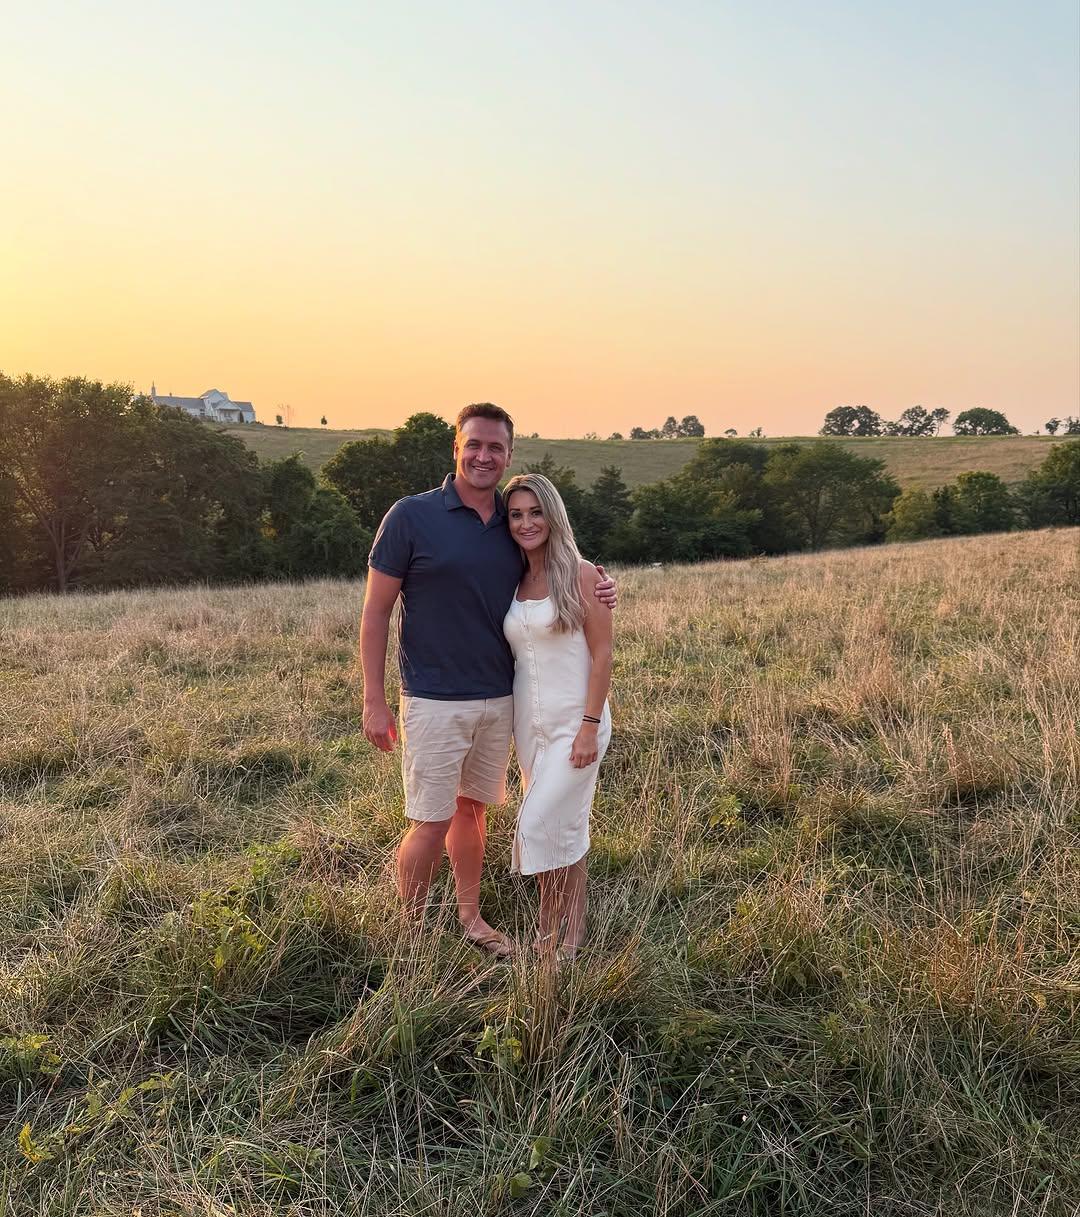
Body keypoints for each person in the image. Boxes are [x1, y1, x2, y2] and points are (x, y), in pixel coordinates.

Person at [359, 403, 616, 957]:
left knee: (473, 810)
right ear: (456, 446)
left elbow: (556, 557)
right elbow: (376, 611)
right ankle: (410, 937)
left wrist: (603, 585)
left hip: (502, 700)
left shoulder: (509, 519)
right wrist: (374, 700)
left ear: (508, 454)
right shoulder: (410, 516)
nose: (483, 456)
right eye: (474, 444)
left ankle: (471, 918)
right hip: (431, 697)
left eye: (495, 447)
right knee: (431, 819)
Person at [502, 473, 613, 958]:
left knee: (539, 826)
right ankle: (559, 934)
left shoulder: (583, 573)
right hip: (530, 727)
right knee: (564, 828)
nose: (527, 523)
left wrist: (590, 726)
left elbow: (603, 654)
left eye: (535, 512)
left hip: (578, 722)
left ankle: (563, 936)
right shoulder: (511, 576)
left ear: (553, 514)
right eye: (516, 514)